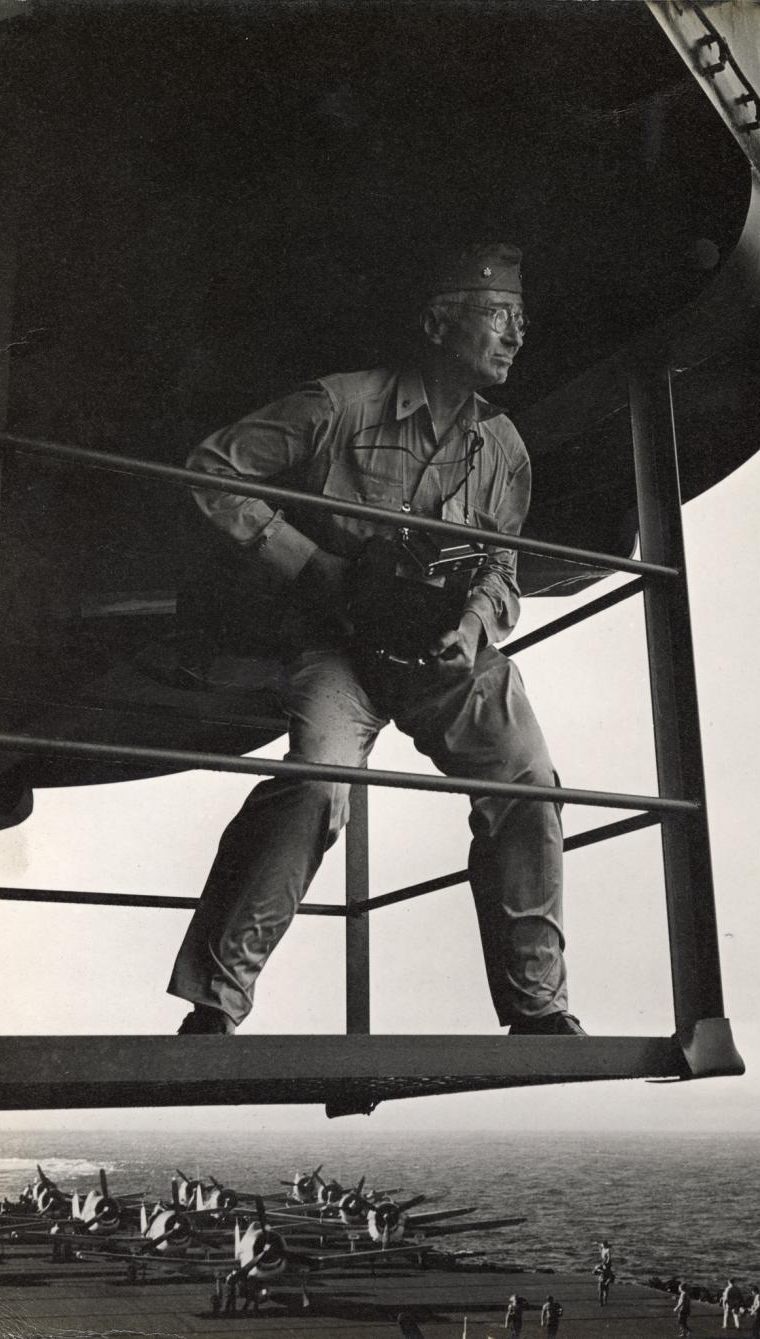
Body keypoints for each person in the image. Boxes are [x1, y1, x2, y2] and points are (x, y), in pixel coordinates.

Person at [169, 241, 583, 1039]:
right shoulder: (338, 406)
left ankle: (537, 1004)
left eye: (521, 321)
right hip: (340, 646)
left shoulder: (504, 452)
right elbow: (213, 469)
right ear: (438, 322)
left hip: (444, 654)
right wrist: (316, 567)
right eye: (499, 317)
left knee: (528, 779)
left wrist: (471, 630)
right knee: (318, 788)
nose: (516, 336)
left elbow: (501, 567)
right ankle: (215, 1002)